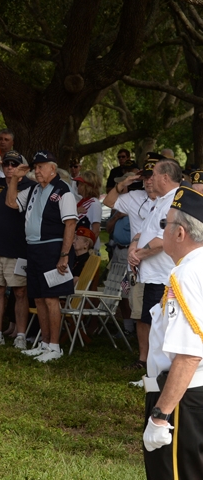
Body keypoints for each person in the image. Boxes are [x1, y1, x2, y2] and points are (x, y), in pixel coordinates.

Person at [141, 186, 203, 480]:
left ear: (180, 232)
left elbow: (187, 355)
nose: (161, 232)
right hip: (196, 396)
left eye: (165, 225)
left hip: (182, 400)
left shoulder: (185, 276)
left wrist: (161, 416)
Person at [5, 151, 78, 363]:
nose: (37, 171)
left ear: (53, 169)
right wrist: (15, 179)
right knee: (38, 297)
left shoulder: (64, 191)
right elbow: (11, 203)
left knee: (50, 297)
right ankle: (44, 343)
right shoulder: (34, 189)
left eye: (41, 167)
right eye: (35, 167)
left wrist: (64, 255)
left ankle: (55, 346)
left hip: (53, 248)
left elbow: (71, 224)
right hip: (34, 248)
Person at [105, 154, 161, 366]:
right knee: (138, 312)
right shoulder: (136, 196)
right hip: (136, 267)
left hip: (160, 267)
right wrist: (124, 183)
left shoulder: (170, 200)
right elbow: (109, 202)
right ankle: (143, 358)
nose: (148, 181)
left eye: (152, 176)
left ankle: (158, 359)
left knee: (158, 316)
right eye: (145, 177)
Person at [0, 150, 33, 349]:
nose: (10, 167)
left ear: (22, 167)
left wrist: (17, 180)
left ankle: (20, 334)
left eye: (14, 164)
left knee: (20, 293)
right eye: (7, 164)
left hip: (18, 249)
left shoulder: (30, 186)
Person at [129, 158, 181, 368]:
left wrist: (138, 255)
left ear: (165, 178)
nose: (150, 180)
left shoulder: (174, 202)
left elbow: (163, 240)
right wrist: (133, 247)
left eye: (154, 175)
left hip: (162, 275)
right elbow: (144, 231)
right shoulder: (160, 200)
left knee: (159, 324)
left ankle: (157, 369)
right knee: (146, 318)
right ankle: (146, 363)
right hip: (149, 273)